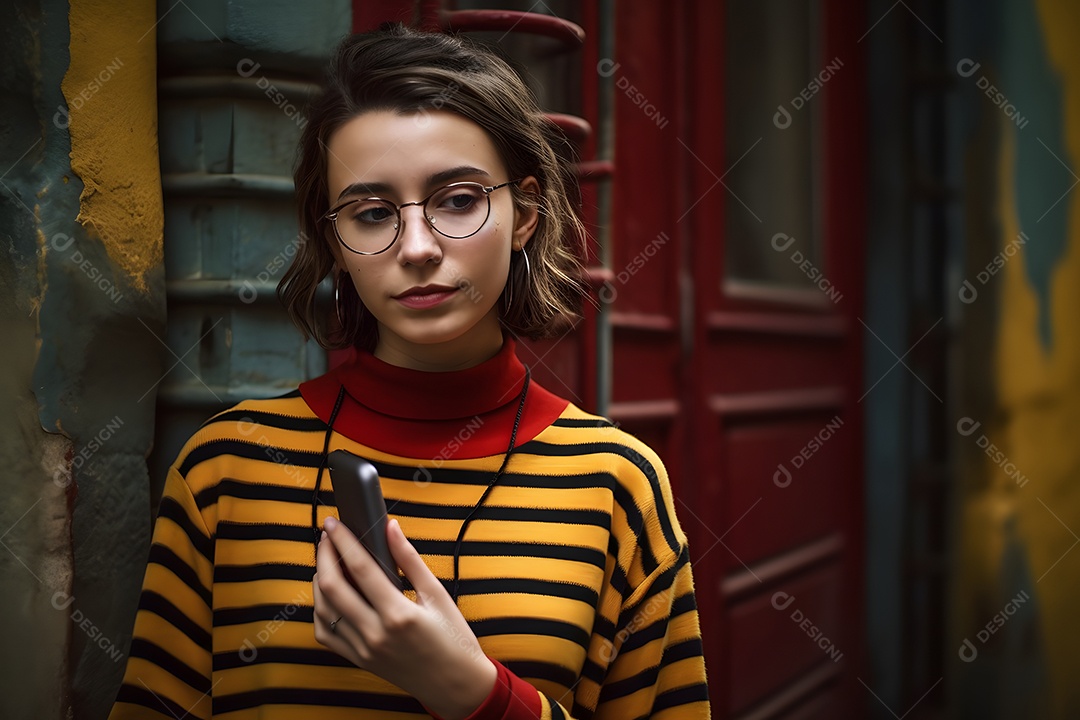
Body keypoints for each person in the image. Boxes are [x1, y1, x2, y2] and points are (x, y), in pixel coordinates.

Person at [108, 23, 710, 720]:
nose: (418, 248)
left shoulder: (618, 485)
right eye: (372, 213)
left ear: (525, 213)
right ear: (333, 240)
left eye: (457, 200)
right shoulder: (223, 468)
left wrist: (476, 695)